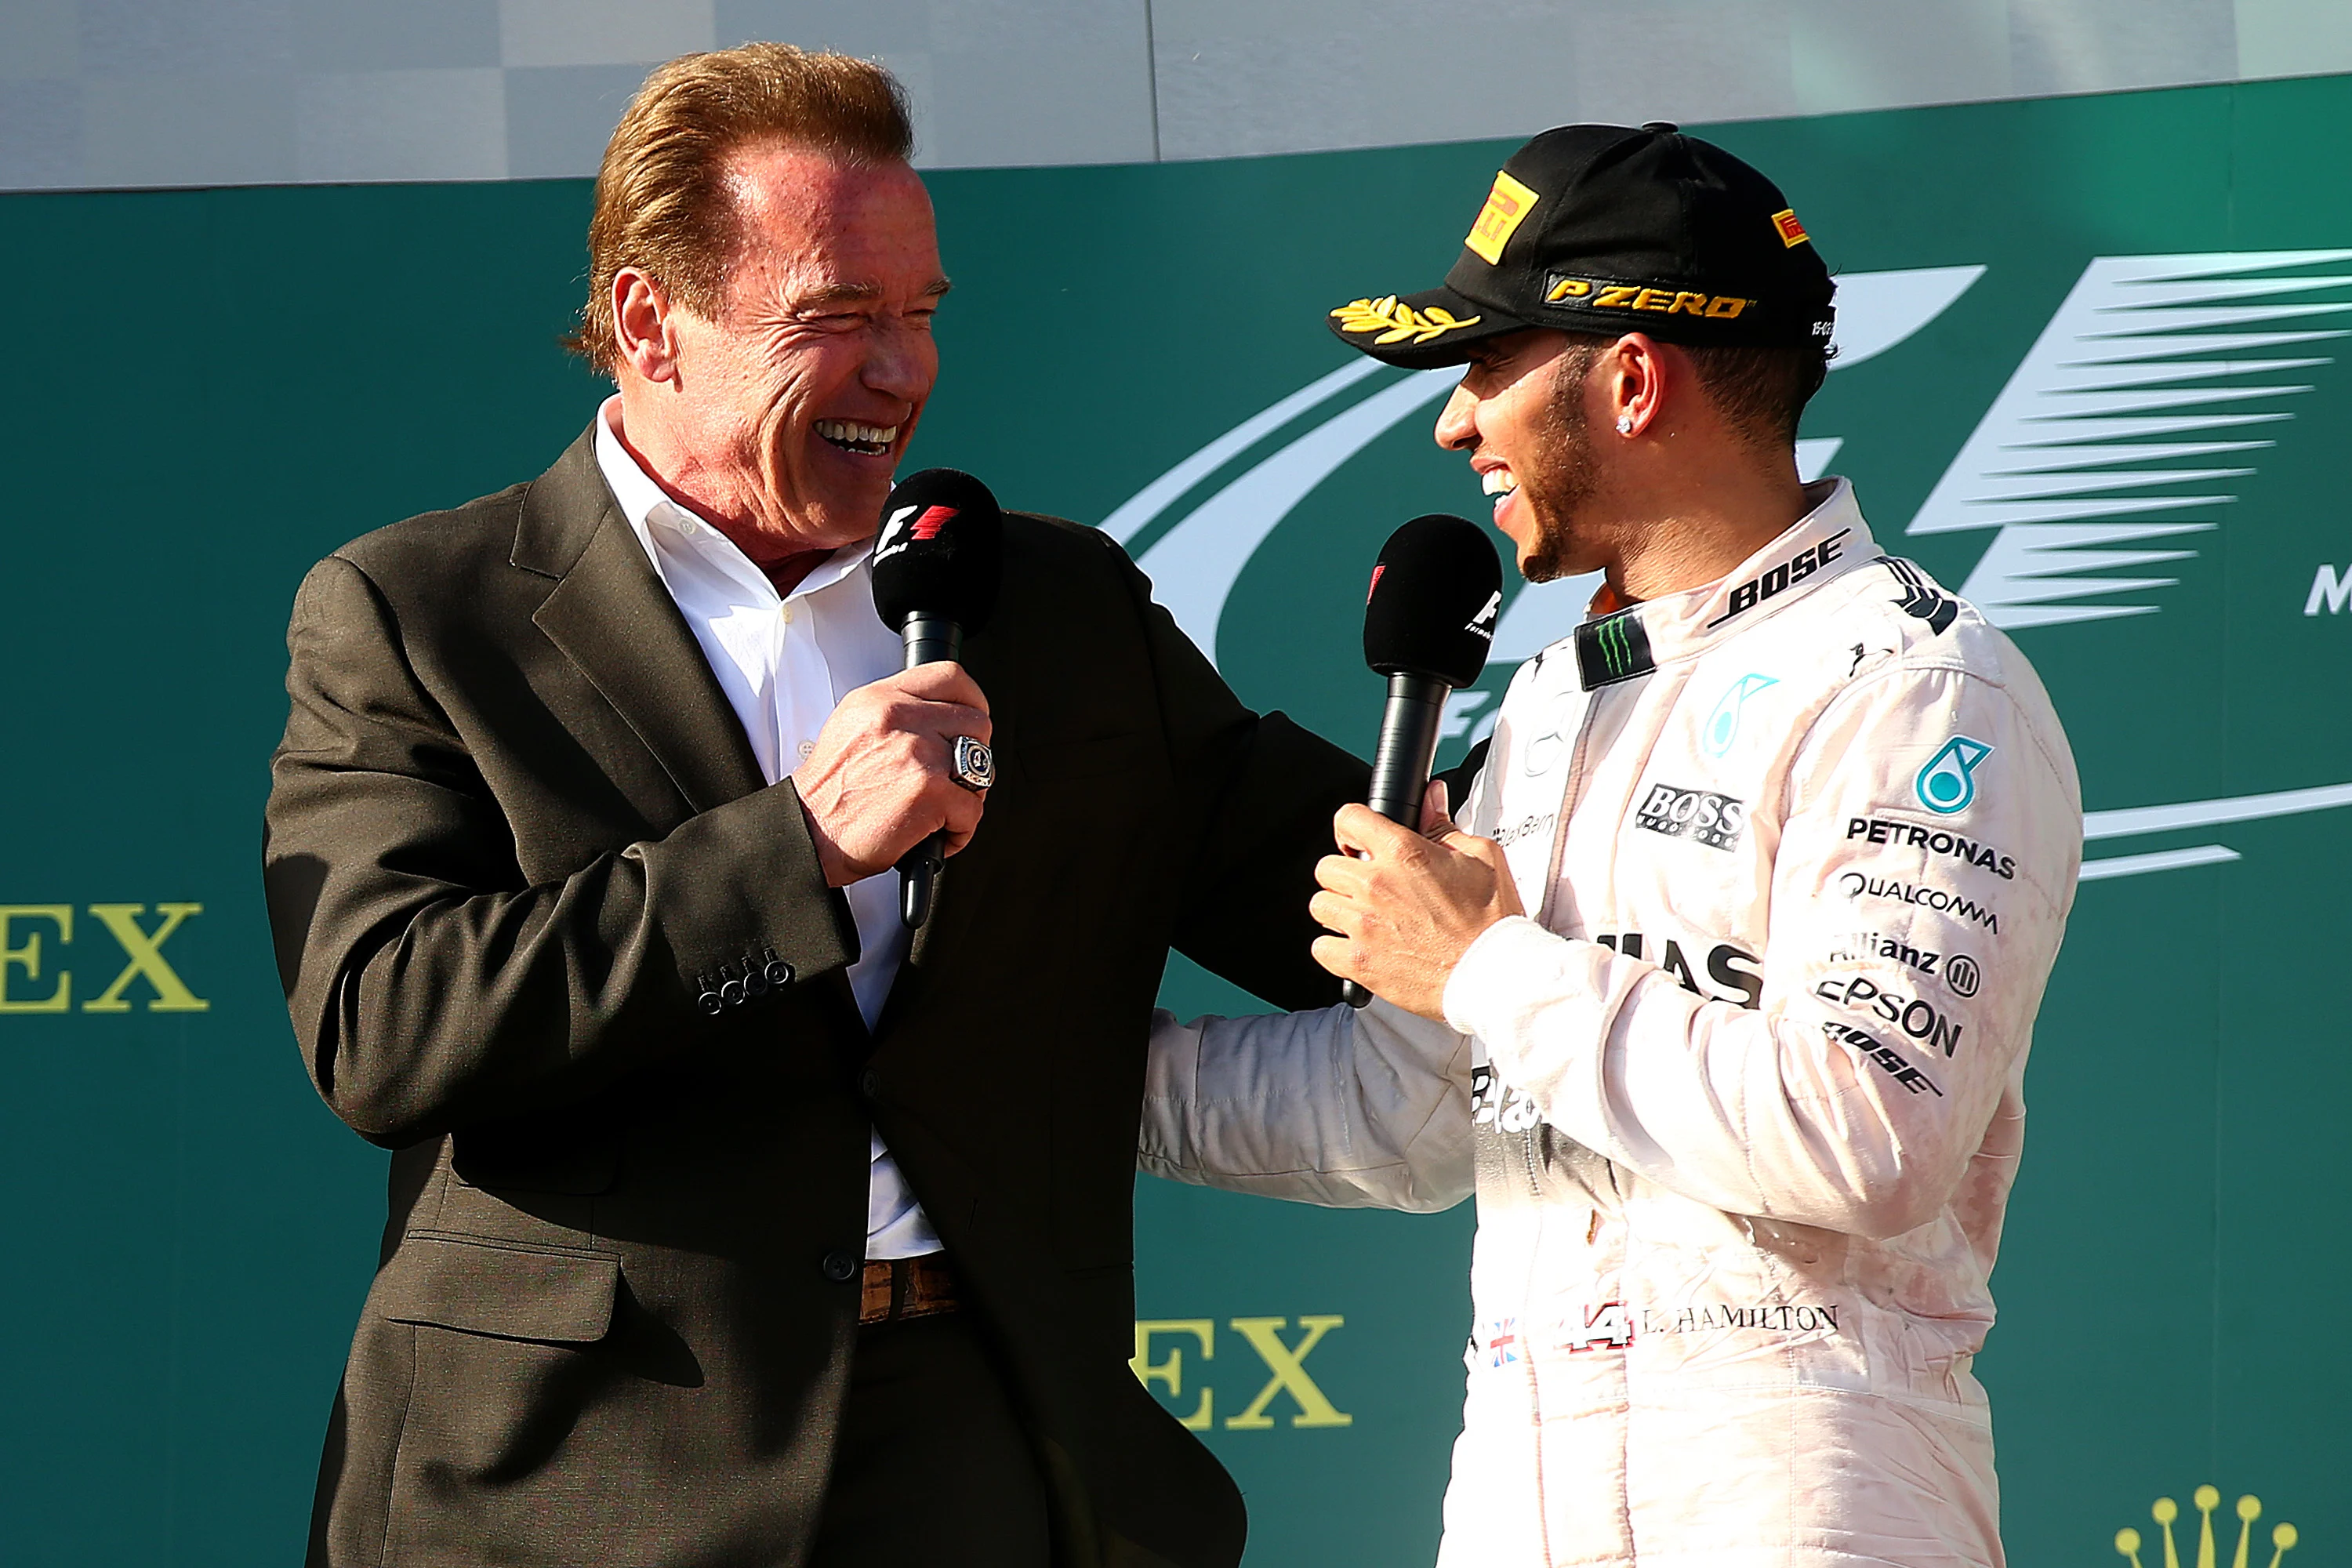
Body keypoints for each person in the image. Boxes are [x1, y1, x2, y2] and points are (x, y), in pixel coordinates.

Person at [262, 43, 1362, 1568]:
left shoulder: (1053, 607)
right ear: (649, 321)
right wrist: (797, 848)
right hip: (575, 1482)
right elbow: (388, 1028)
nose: (902, 371)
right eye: (839, 316)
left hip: (983, 1454)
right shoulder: (423, 611)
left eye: (920, 314)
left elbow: (1356, 893)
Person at [1139, 122, 2082, 1567]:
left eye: (1488, 364)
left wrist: (1489, 966)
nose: (1455, 423)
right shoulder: (1550, 702)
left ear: (1633, 380)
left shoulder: (1912, 683)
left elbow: (1868, 1135)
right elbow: (1412, 1111)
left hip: (1803, 1496)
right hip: (1519, 1499)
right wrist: (1058, 1078)